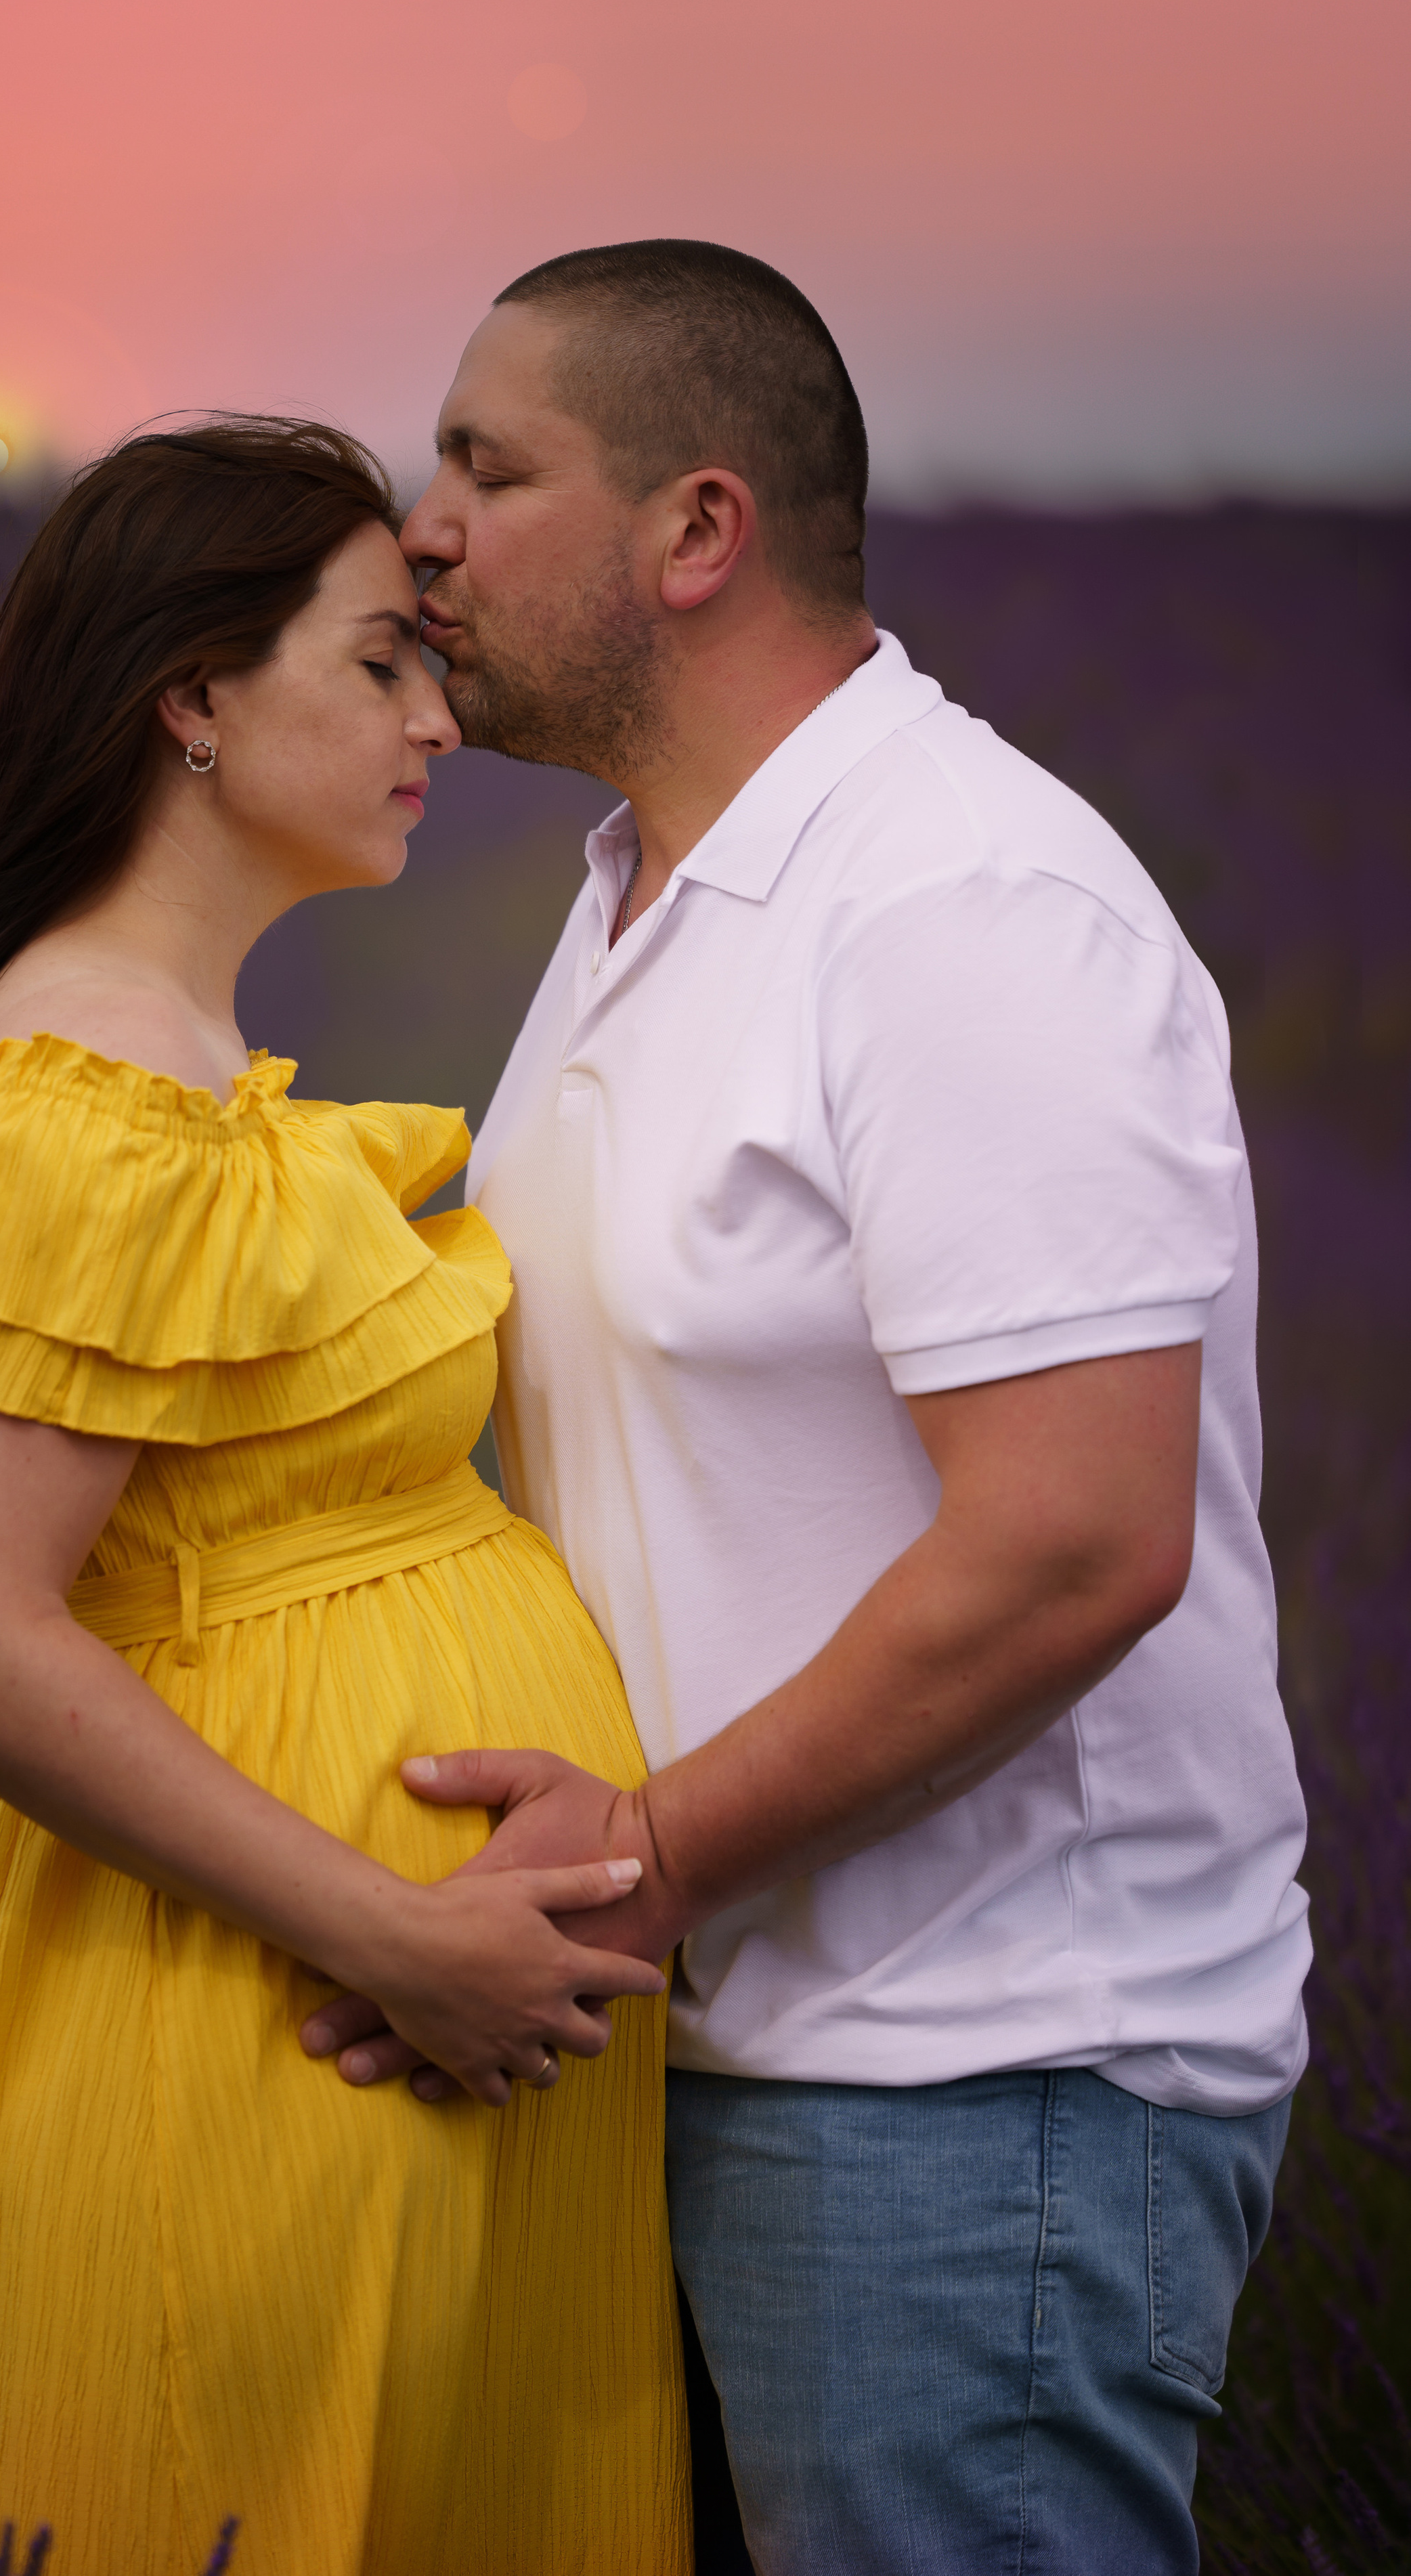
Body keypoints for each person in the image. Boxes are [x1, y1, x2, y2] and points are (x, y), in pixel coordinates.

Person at [301, 243, 1313, 2575]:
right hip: (724, 2053)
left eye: (489, 464)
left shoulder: (961, 906)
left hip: (976, 2097)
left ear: (698, 531)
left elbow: (1078, 1534)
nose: (418, 523)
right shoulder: (651, 890)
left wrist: (647, 1861)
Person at [0, 417, 689, 2575]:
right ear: (191, 693)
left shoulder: (150, 1068)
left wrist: (219, 1660)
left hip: (329, 2000)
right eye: (381, 664)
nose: (438, 717)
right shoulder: (79, 1095)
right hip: (311, 2018)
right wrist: (385, 1921)